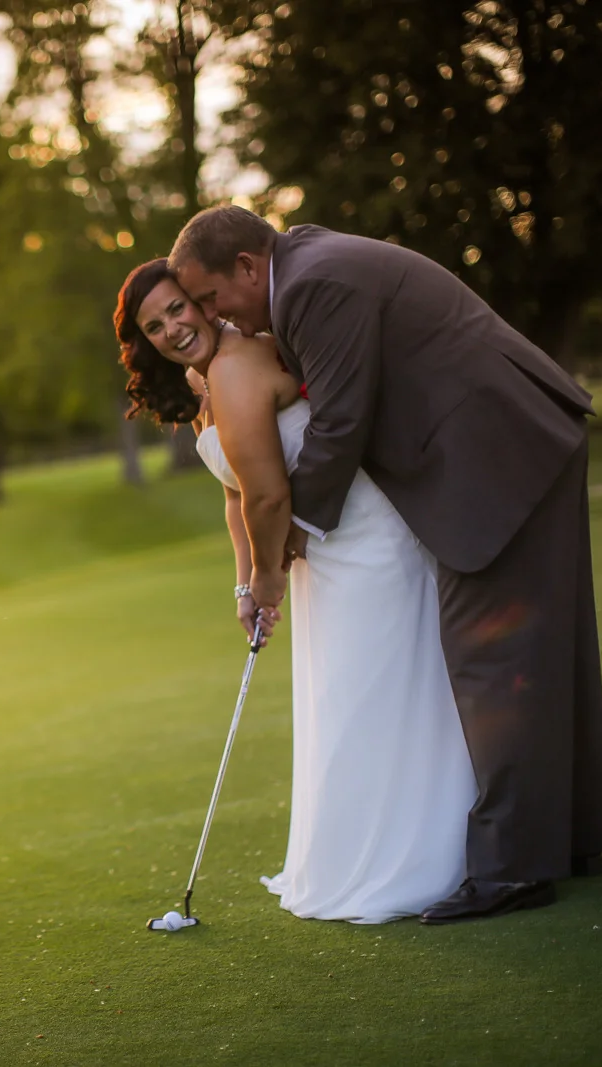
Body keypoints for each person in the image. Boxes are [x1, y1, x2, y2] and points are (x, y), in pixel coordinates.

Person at [166, 207, 602, 924]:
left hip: (492, 453)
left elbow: (343, 420)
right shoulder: (306, 268)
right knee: (541, 650)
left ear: (248, 268)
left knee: (490, 661)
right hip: (511, 437)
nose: (216, 315)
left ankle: (512, 871)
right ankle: (571, 840)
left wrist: (294, 536)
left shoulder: (311, 285)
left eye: (214, 298)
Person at [114, 258, 475, 923]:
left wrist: (267, 580)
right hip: (317, 553)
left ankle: (432, 858)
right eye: (153, 324)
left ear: (202, 301)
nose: (171, 327)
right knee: (344, 698)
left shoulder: (239, 363)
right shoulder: (202, 380)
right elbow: (235, 498)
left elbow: (268, 492)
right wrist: (243, 587)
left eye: (178, 309)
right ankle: (371, 852)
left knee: (383, 693)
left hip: (361, 539)